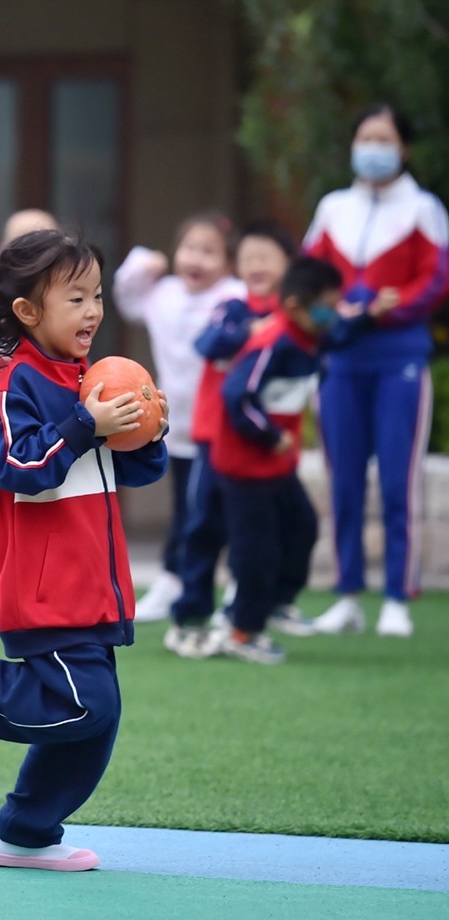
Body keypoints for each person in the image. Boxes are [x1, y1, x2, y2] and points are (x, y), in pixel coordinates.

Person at [0, 229, 168, 871]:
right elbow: (14, 464)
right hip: (44, 588)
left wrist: (149, 429)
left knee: (96, 719)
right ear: (27, 312)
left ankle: (23, 833)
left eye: (98, 295)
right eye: (76, 298)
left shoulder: (91, 378)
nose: (93, 311)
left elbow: (131, 471)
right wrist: (85, 425)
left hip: (94, 588)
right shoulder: (12, 381)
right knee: (84, 702)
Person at [303, 102, 449, 638]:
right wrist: (329, 312)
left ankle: (396, 597)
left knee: (396, 482)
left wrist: (394, 306)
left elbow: (436, 281)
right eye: (365, 137)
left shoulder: (424, 208)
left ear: (404, 149)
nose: (374, 148)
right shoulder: (333, 206)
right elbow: (307, 278)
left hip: (398, 358)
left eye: (384, 139)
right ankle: (347, 594)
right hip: (340, 360)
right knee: (343, 483)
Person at [164, 221, 299, 658]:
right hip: (214, 440)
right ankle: (190, 617)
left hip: (262, 446)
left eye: (267, 257)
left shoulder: (292, 316)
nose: (257, 265)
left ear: (288, 265)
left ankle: (256, 611)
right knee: (204, 527)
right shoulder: (233, 308)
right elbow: (207, 344)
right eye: (249, 258)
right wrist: (248, 334)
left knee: (280, 530)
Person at [209, 258, 343, 663]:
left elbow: (347, 332)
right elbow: (236, 396)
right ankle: (242, 630)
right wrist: (270, 435)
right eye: (327, 306)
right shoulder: (273, 343)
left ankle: (276, 603)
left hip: (278, 468)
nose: (333, 314)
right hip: (245, 468)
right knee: (257, 552)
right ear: (297, 306)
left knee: (302, 526)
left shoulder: (311, 339)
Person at [114, 213, 245, 622]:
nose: (197, 259)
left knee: (224, 512)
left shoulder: (233, 295)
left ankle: (235, 585)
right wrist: (145, 262)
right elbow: (125, 295)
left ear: (228, 262)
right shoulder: (164, 294)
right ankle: (173, 580)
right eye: (190, 248)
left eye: (209, 252)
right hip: (175, 427)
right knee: (186, 511)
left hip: (225, 429)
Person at [0, 209, 61, 641]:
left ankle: (45, 600)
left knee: (50, 518)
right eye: (18, 240)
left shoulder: (62, 299)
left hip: (51, 428)